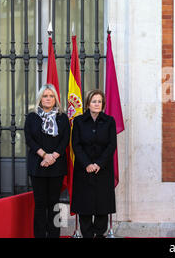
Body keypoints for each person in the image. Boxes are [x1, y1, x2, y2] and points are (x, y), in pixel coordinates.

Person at [24, 84, 70, 238]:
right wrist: (45, 156)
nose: (48, 99)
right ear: (40, 99)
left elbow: (65, 140)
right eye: (45, 96)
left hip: (56, 166)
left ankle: (54, 235)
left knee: (55, 204)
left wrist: (53, 157)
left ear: (55, 98)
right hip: (37, 166)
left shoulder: (62, 117)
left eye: (51, 96)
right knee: (40, 204)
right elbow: (29, 139)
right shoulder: (32, 117)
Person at [70, 89, 117, 238]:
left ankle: (99, 233)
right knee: (85, 206)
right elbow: (75, 145)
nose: (97, 104)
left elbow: (111, 145)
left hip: (103, 170)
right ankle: (87, 234)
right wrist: (87, 164)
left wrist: (98, 164)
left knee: (102, 206)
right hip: (83, 170)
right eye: (93, 101)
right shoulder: (78, 121)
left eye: (99, 101)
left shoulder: (110, 121)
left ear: (103, 104)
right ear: (88, 104)